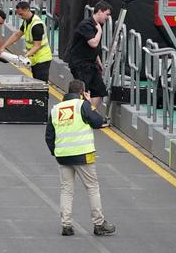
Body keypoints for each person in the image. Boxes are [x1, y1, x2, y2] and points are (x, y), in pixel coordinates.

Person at [46, 80, 116, 237]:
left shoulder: (56, 109)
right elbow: (98, 122)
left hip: (63, 156)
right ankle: (99, 224)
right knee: (92, 187)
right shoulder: (82, 105)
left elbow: (49, 136)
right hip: (83, 154)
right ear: (82, 92)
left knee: (66, 190)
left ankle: (66, 225)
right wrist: (89, 102)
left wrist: (56, 152)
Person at [66, 1, 112, 110]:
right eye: (107, 14)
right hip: (80, 64)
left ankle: (90, 113)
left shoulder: (96, 26)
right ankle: (81, 115)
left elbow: (94, 49)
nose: (108, 17)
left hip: (91, 63)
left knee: (99, 90)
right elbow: (93, 43)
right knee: (83, 91)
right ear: (100, 11)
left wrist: (99, 62)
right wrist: (100, 31)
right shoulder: (86, 25)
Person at [0, 0, 53, 82]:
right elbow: (17, 35)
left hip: (42, 59)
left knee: (41, 85)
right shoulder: (26, 21)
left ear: (27, 10)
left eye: (21, 14)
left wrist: (25, 56)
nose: (20, 16)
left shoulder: (36, 25)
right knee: (36, 83)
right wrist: (3, 46)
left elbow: (37, 46)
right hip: (34, 59)